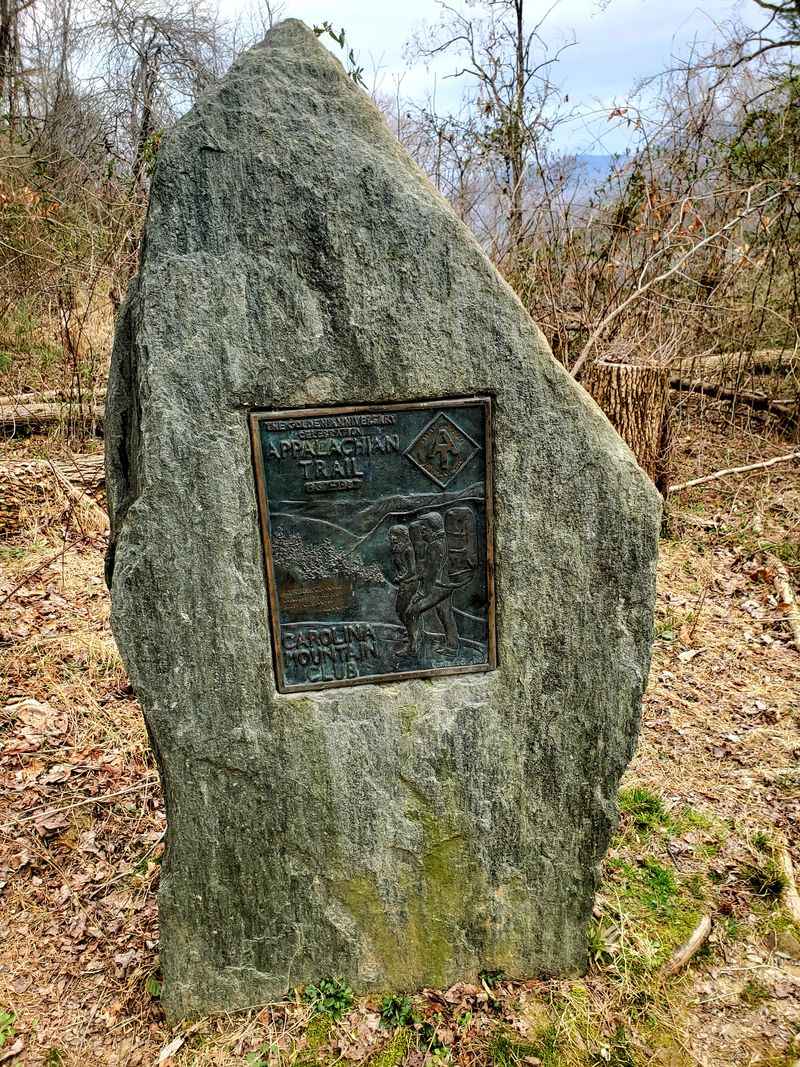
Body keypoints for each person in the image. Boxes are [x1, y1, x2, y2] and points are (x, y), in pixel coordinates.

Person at [406, 512, 459, 655]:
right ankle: (452, 645)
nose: (421, 530)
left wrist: (420, 593)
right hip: (447, 584)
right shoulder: (443, 541)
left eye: (424, 527)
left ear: (432, 529)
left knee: (412, 612)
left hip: (439, 587)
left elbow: (431, 573)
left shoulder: (435, 546)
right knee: (445, 613)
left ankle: (413, 648)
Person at [389, 524, 417, 653]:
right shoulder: (397, 549)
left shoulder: (408, 550)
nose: (392, 538)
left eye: (396, 535)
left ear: (403, 536)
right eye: (391, 535)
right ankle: (412, 634)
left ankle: (412, 645)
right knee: (401, 612)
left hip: (410, 584)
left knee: (405, 613)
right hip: (404, 583)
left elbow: (412, 571)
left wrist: (401, 578)